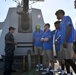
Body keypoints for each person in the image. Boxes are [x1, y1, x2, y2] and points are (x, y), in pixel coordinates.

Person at [55, 9, 76, 75]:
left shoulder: (66, 18)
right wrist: (58, 39)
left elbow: (69, 27)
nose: (56, 17)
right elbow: (62, 33)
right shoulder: (61, 23)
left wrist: (65, 40)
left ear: (60, 13)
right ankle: (68, 72)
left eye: (57, 15)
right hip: (63, 42)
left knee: (69, 59)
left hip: (68, 42)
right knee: (66, 59)